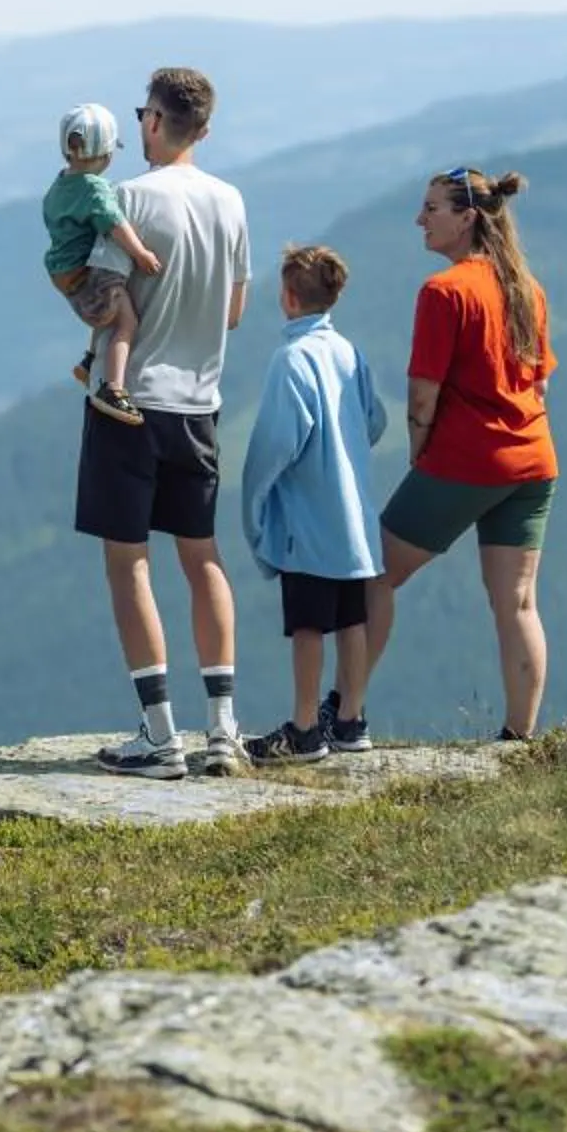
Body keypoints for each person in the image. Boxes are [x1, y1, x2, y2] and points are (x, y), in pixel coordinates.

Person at [85, 67, 253, 780]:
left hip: (127, 404)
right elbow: (235, 311)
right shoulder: (230, 200)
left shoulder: (127, 198)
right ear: (204, 130)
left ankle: (160, 736)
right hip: (198, 401)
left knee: (129, 563)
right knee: (202, 556)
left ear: (153, 121)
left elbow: (103, 302)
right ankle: (223, 728)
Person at [368, 166, 559, 742]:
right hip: (533, 460)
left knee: (373, 576)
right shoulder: (528, 288)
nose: (419, 220)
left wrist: (420, 455)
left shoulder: (445, 292)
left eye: (432, 209)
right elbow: (541, 384)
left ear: (467, 218)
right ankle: (519, 737)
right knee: (518, 603)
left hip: (464, 460)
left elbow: (422, 395)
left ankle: (345, 710)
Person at [236, 244, 387, 764]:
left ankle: (304, 729)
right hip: (354, 522)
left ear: (289, 297)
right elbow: (376, 422)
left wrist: (252, 506)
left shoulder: (291, 359)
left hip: (309, 522)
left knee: (306, 627)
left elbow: (277, 443)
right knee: (352, 622)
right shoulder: (350, 353)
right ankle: (350, 719)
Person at [44, 103, 168, 426]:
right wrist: (141, 253)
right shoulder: (96, 190)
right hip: (84, 275)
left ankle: (89, 360)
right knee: (126, 323)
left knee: (104, 296)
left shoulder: (59, 186)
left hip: (62, 272)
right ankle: (113, 388)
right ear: (106, 154)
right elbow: (115, 223)